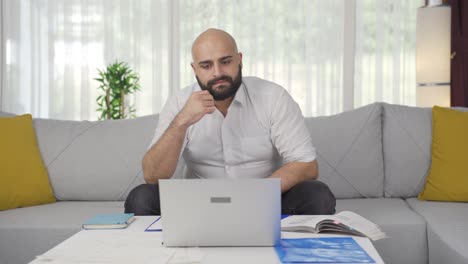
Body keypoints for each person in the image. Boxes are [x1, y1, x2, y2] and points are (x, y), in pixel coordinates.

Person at [125, 28, 336, 215]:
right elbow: (152, 176)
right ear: (195, 69)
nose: (218, 73)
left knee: (318, 196)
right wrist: (182, 122)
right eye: (206, 65)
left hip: (264, 199)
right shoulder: (180, 102)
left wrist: (254, 194)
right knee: (141, 198)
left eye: (225, 62)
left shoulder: (273, 97)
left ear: (239, 60)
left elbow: (307, 166)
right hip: (198, 202)